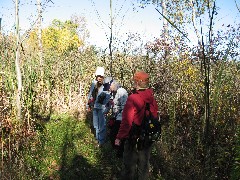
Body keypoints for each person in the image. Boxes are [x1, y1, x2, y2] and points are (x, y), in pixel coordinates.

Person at [115, 71, 159, 180]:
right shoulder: (151, 97)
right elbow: (155, 115)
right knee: (143, 166)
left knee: (129, 167)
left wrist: (119, 137)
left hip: (133, 138)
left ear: (137, 83)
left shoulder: (133, 98)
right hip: (147, 138)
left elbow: (126, 122)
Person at [86, 67, 110, 147]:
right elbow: (90, 94)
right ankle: (97, 139)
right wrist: (88, 104)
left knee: (102, 125)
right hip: (95, 106)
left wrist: (107, 108)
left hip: (102, 108)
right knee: (96, 124)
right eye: (98, 76)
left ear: (103, 77)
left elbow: (109, 97)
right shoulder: (94, 83)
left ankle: (101, 141)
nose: (99, 78)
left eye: (101, 76)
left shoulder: (106, 85)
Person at [108, 80, 128, 158]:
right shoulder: (114, 93)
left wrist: (119, 117)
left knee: (115, 135)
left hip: (121, 119)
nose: (109, 88)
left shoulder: (122, 92)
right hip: (117, 118)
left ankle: (120, 153)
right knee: (114, 135)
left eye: (109, 86)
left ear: (114, 85)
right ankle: (118, 152)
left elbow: (125, 107)